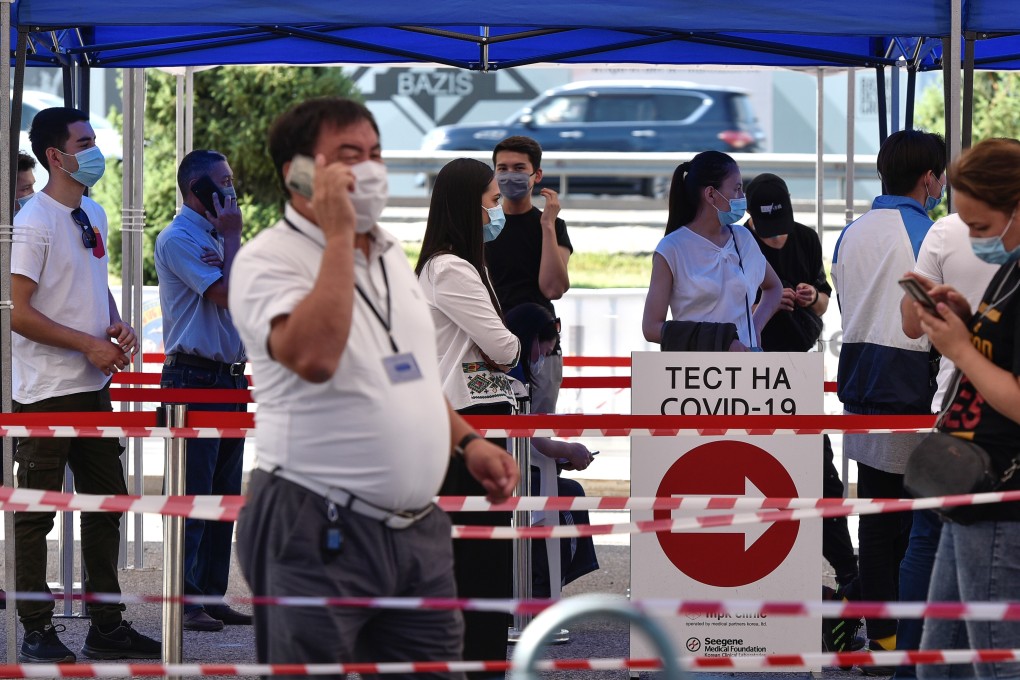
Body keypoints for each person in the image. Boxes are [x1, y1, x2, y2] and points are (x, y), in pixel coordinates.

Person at [229, 97, 519, 680]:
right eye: (348, 156)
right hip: (318, 526)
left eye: (376, 153)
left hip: (417, 531)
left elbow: (407, 374)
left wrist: (467, 442)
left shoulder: (388, 255)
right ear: (299, 173)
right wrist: (338, 237)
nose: (369, 168)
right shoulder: (268, 260)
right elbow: (314, 356)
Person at [11, 106, 160, 662]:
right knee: (35, 514)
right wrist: (87, 343)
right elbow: (17, 313)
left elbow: (93, 289)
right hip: (45, 390)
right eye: (86, 141)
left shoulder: (91, 211)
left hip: (92, 385)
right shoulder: (32, 222)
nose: (96, 150)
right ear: (57, 155)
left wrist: (114, 325)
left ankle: (105, 623)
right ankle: (36, 628)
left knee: (109, 502)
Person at [831, 128, 946, 671]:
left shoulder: (850, 233)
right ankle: (906, 635)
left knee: (876, 517)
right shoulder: (930, 233)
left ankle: (881, 633)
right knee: (918, 523)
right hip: (911, 387)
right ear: (929, 178)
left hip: (860, 381)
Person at [908, 138, 1020, 680]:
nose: (976, 242)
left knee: (993, 661)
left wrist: (958, 350)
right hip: (971, 486)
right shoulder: (1011, 271)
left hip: (1001, 494)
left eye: (980, 227)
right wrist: (965, 321)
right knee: (940, 659)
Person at [743, 172, 862, 653]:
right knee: (764, 484)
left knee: (821, 476)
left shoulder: (808, 239)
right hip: (750, 375)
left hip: (798, 370)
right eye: (767, 228)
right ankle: (801, 594)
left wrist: (812, 299)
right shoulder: (737, 242)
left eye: (781, 228)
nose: (776, 237)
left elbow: (828, 301)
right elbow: (730, 314)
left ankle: (850, 579)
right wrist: (770, 303)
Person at [415, 157, 521, 677]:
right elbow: (503, 346)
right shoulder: (452, 268)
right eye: (491, 197)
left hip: (470, 413)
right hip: (467, 418)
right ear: (467, 202)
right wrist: (518, 341)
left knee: (476, 555)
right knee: (478, 558)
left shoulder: (455, 265)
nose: (497, 207)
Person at [893, 212, 1000, 678]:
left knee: (936, 550)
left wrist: (958, 340)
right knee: (944, 557)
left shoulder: (943, 230)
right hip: (966, 418)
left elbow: (910, 325)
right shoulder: (952, 232)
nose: (973, 235)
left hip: (961, 418)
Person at [154, 149, 251, 632]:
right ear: (200, 190)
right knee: (192, 494)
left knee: (222, 494)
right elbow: (228, 293)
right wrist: (233, 237)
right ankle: (185, 597)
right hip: (194, 377)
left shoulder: (217, 236)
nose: (232, 190)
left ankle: (210, 593)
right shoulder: (177, 237)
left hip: (229, 375)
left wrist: (231, 241)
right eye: (225, 182)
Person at [504, 302, 599, 598]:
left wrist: (561, 453)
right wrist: (567, 450)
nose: (543, 359)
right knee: (568, 497)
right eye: (543, 351)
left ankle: (542, 586)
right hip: (510, 476)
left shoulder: (510, 369)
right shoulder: (514, 375)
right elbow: (529, 434)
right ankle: (544, 588)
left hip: (514, 468)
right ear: (530, 338)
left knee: (567, 491)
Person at [642, 150, 783, 350]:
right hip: (694, 371)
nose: (742, 197)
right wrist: (721, 342)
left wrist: (755, 327)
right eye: (737, 189)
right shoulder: (671, 248)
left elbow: (774, 287)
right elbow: (651, 328)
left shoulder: (743, 238)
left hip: (746, 366)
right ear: (711, 194)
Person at [486, 135, 572, 414]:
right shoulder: (484, 224)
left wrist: (547, 225)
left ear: (537, 175)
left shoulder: (552, 226)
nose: (510, 175)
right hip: (492, 345)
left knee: (539, 438)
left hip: (539, 344)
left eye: (519, 168)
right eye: (502, 168)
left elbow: (553, 289)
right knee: (499, 437)